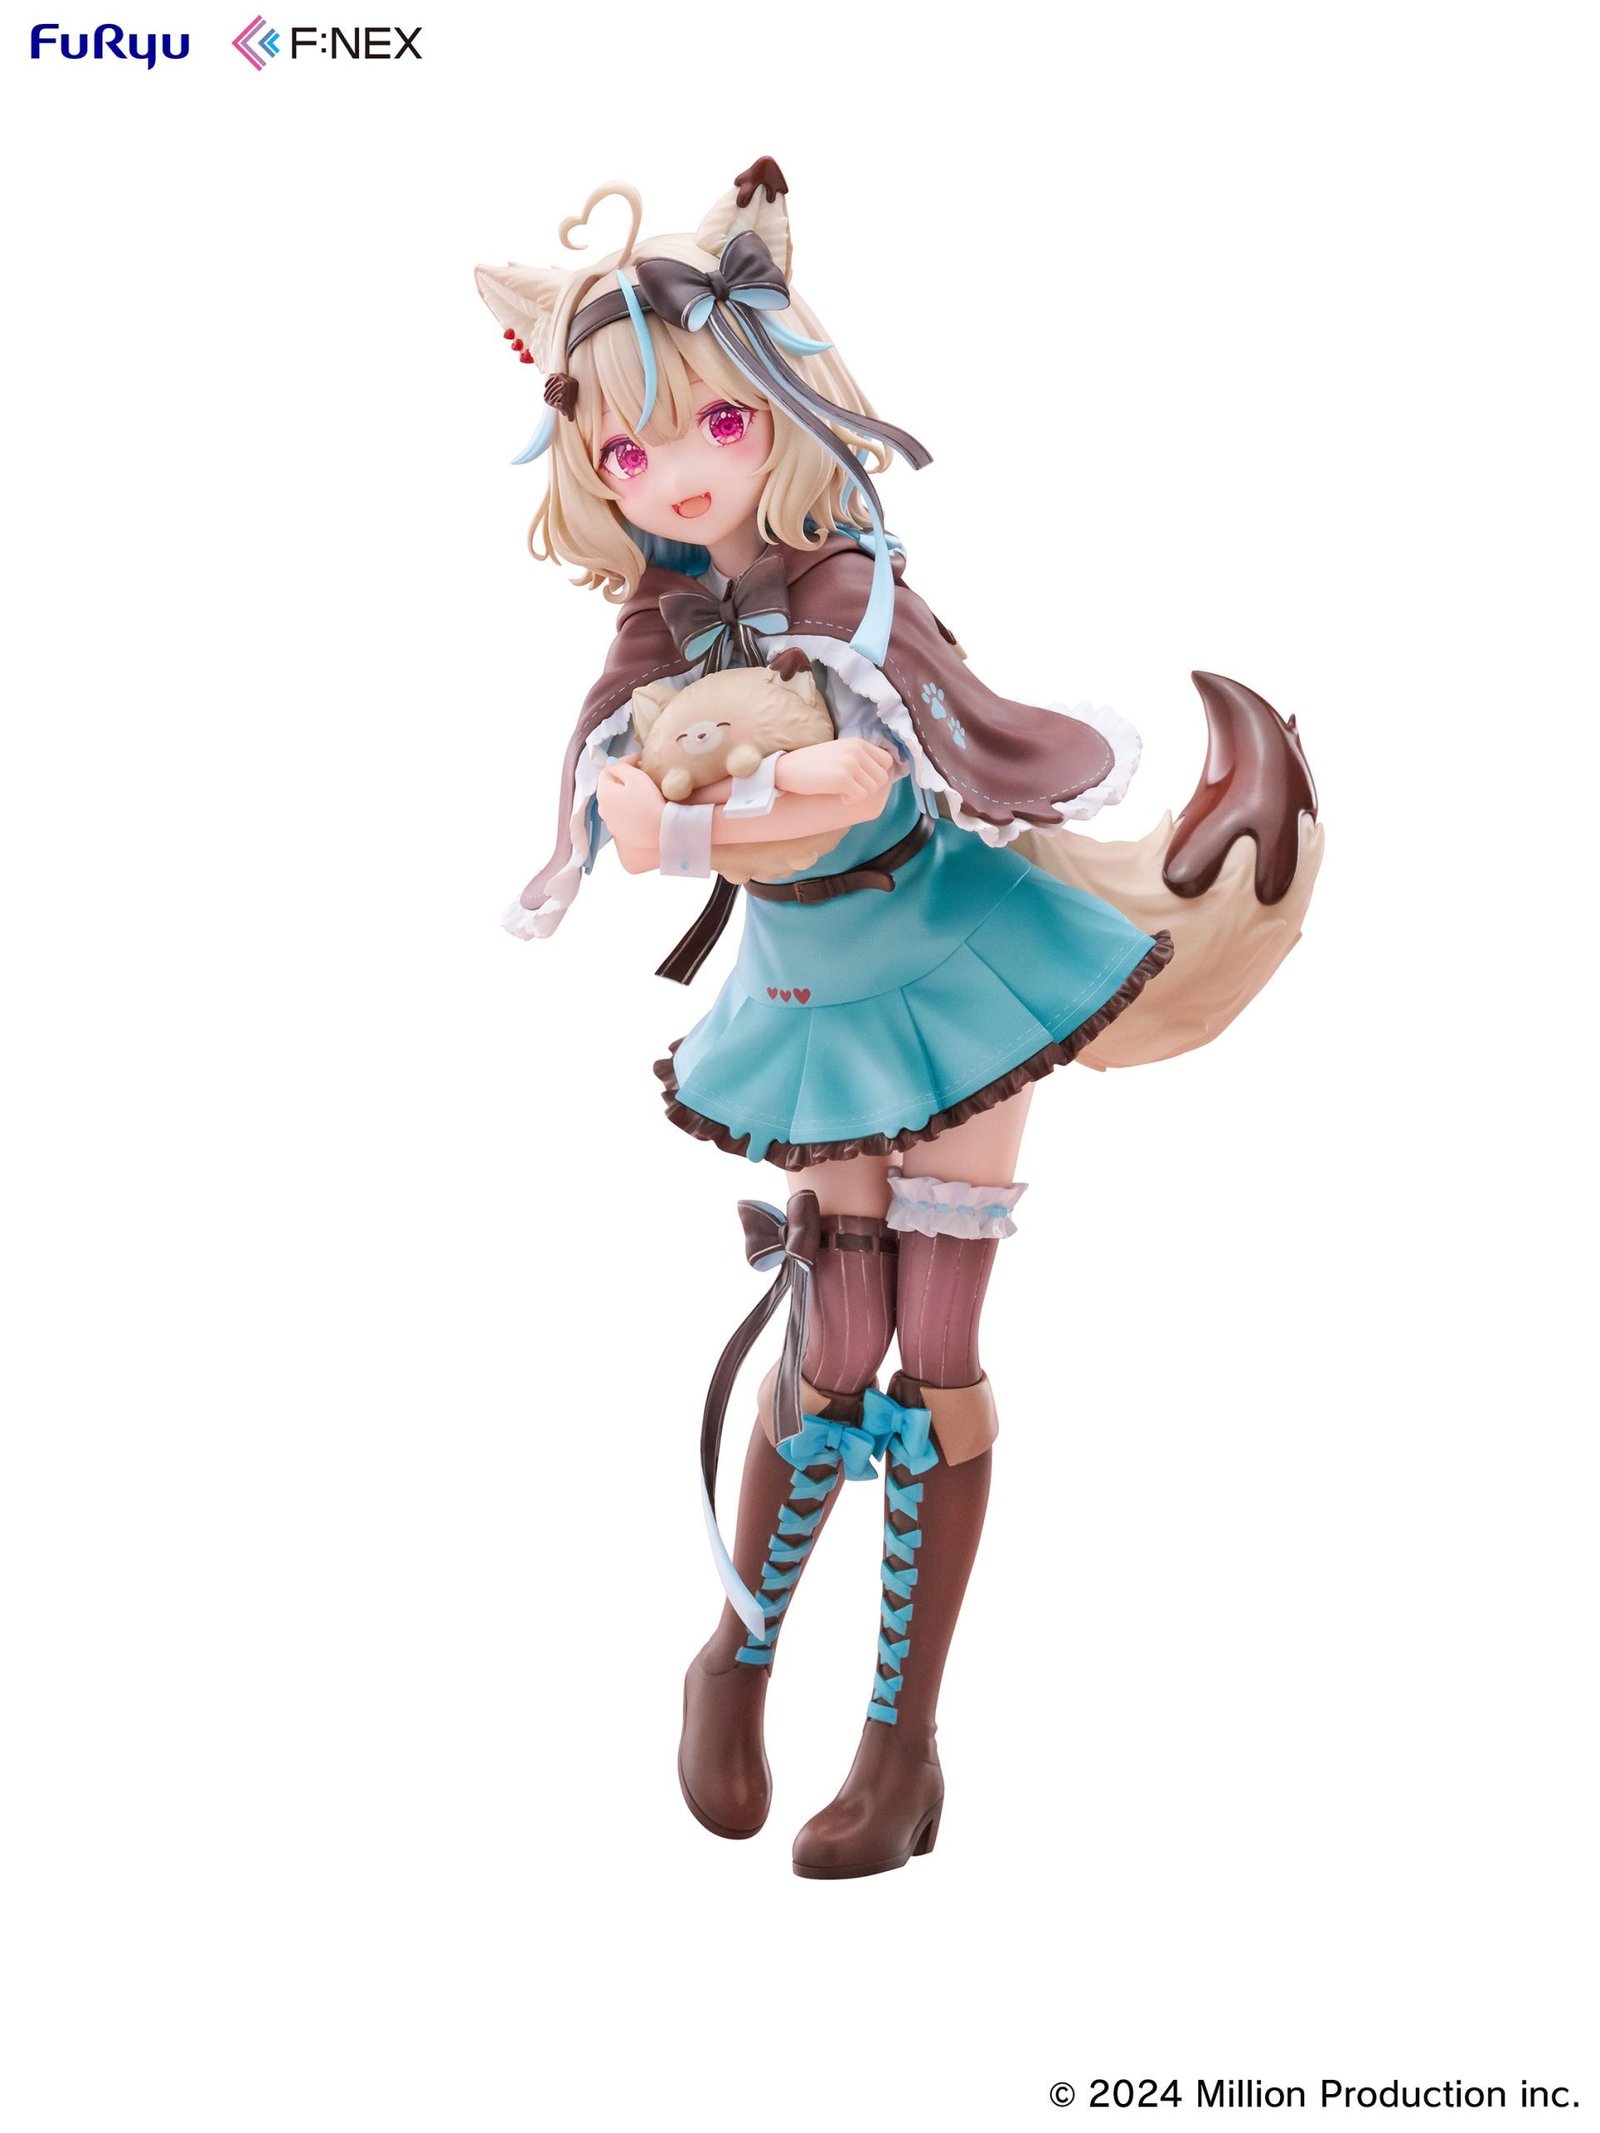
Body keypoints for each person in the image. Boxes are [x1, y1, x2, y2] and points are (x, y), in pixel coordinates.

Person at [476, 156, 1320, 1878]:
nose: (677, 475)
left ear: (778, 411)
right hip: (808, 984)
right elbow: (618, 806)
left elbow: (847, 795)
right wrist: (657, 815)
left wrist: (684, 823)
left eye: (714, 426)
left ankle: (899, 1744)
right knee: (834, 1328)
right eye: (628, 454)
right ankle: (736, 1652)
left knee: (934, 1349)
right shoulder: (655, 626)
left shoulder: (850, 589)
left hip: (951, 955)